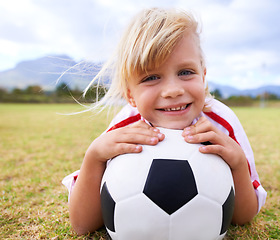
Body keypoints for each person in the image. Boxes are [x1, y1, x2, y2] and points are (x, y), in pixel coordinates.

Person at [62, 7, 267, 235]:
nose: (172, 90)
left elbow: (244, 218)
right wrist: (93, 158)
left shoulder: (221, 123)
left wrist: (238, 164)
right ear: (130, 95)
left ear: (203, 75)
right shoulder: (126, 127)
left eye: (186, 72)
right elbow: (82, 226)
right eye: (151, 77)